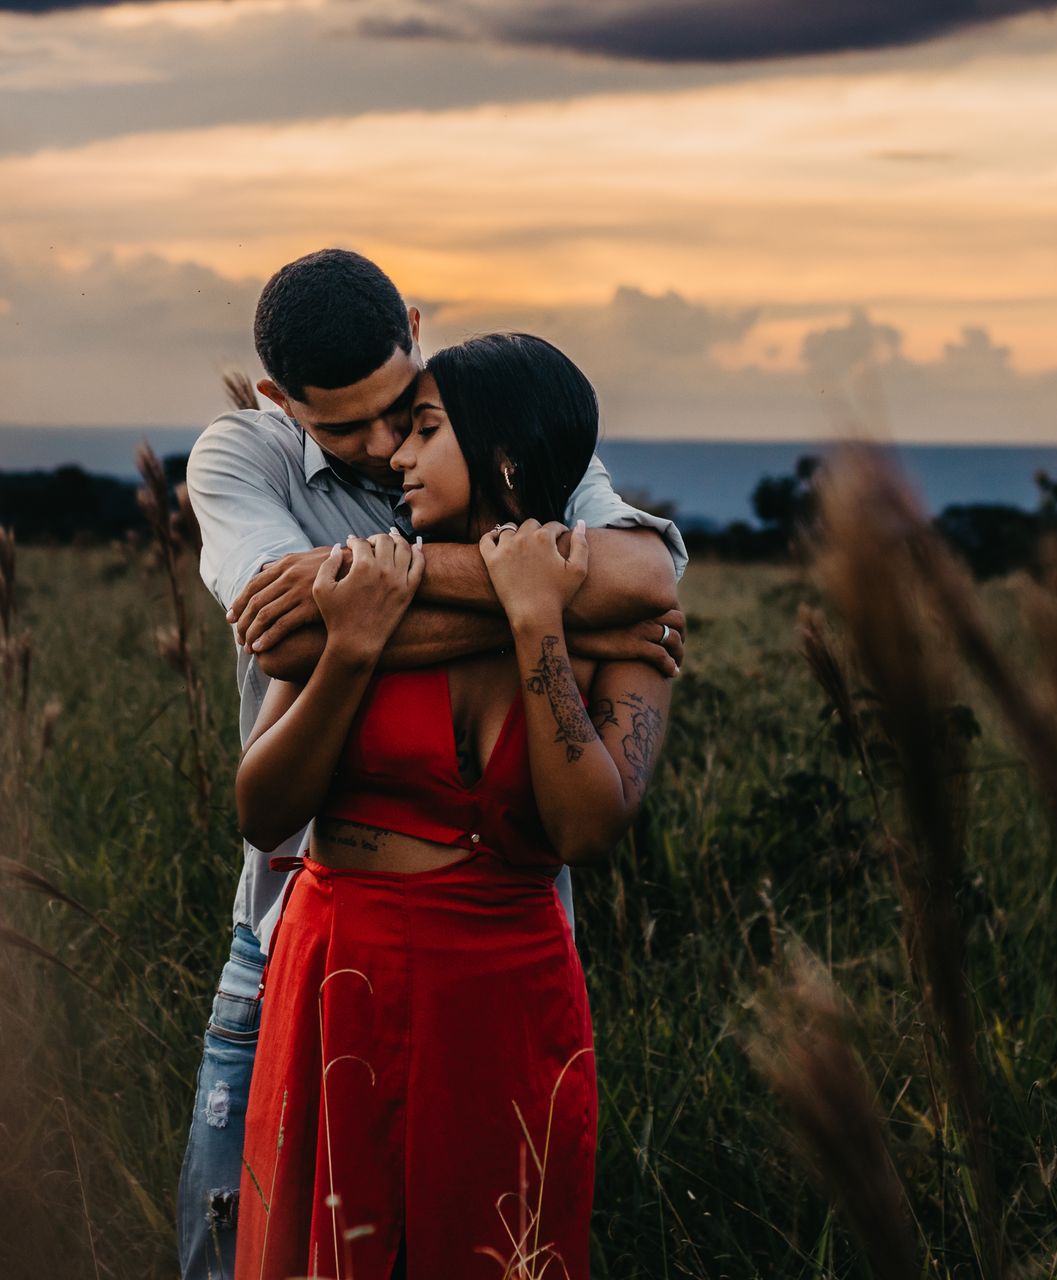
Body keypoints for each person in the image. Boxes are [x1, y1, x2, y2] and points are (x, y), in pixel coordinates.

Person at [178, 249, 687, 1278]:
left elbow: (646, 574)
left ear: (415, 327)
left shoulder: (508, 422)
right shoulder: (242, 456)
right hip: (297, 945)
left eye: (405, 416)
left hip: (503, 961)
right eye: (344, 427)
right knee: (234, 1245)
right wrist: (523, 593)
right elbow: (286, 640)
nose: (380, 450)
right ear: (282, 401)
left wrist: (378, 601)